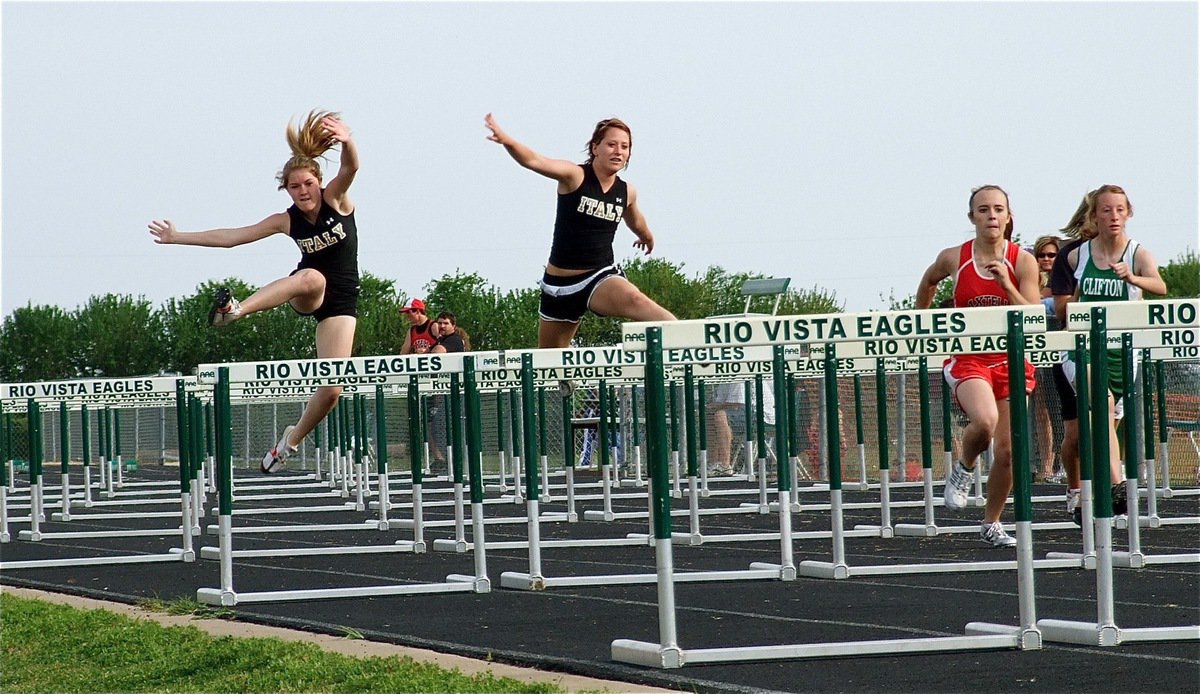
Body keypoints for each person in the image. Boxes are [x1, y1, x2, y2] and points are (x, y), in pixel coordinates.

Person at [149, 110, 360, 474]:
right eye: (295, 187)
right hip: (306, 289)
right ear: (287, 190)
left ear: (318, 182)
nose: (303, 191)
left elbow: (351, 168)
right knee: (312, 278)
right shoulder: (286, 220)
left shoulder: (336, 199)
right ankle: (237, 311)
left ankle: (288, 442)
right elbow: (232, 237)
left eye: (308, 184)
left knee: (331, 391)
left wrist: (347, 140)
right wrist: (177, 236)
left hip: (341, 303)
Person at [915, 185, 1040, 547]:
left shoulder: (1022, 261)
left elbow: (1033, 313)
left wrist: (1006, 283)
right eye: (983, 210)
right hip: (969, 358)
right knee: (984, 421)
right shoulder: (955, 258)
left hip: (1010, 361)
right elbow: (928, 280)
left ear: (1008, 216)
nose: (991, 216)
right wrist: (920, 320)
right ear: (972, 217)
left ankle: (991, 522)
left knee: (1008, 452)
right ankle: (964, 468)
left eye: (998, 209)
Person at [484, 113, 675, 349]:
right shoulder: (575, 176)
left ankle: (687, 338)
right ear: (595, 148)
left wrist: (646, 236)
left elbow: (635, 219)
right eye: (611, 144)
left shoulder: (627, 192)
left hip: (598, 277)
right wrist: (507, 141)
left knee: (635, 299)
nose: (618, 151)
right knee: (551, 361)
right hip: (558, 286)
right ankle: (567, 384)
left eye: (624, 147)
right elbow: (534, 161)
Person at [1059, 185, 1166, 520]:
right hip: (1083, 349)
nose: (1114, 216)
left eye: (1120, 209)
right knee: (1101, 405)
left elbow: (1160, 287)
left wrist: (1132, 277)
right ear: (1094, 216)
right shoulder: (1079, 255)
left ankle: (1090, 498)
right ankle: (1117, 485)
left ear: (1128, 213)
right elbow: (1073, 300)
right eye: (1106, 210)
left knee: (1103, 427)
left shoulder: (1138, 253)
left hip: (1123, 352)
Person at [1029, 235, 1064, 482]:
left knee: (1062, 410)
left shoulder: (1065, 281)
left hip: (1061, 353)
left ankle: (1067, 462)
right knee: (1040, 411)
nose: (1046, 260)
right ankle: (1047, 465)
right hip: (1037, 354)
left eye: (1052, 255)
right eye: (1042, 255)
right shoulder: (1029, 281)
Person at [706, 379, 775, 477]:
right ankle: (713, 465)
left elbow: (736, 404)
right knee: (710, 415)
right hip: (743, 412)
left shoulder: (737, 375)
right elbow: (721, 402)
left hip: (761, 415)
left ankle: (725, 466)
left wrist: (714, 407)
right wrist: (710, 408)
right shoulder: (723, 379)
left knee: (720, 415)